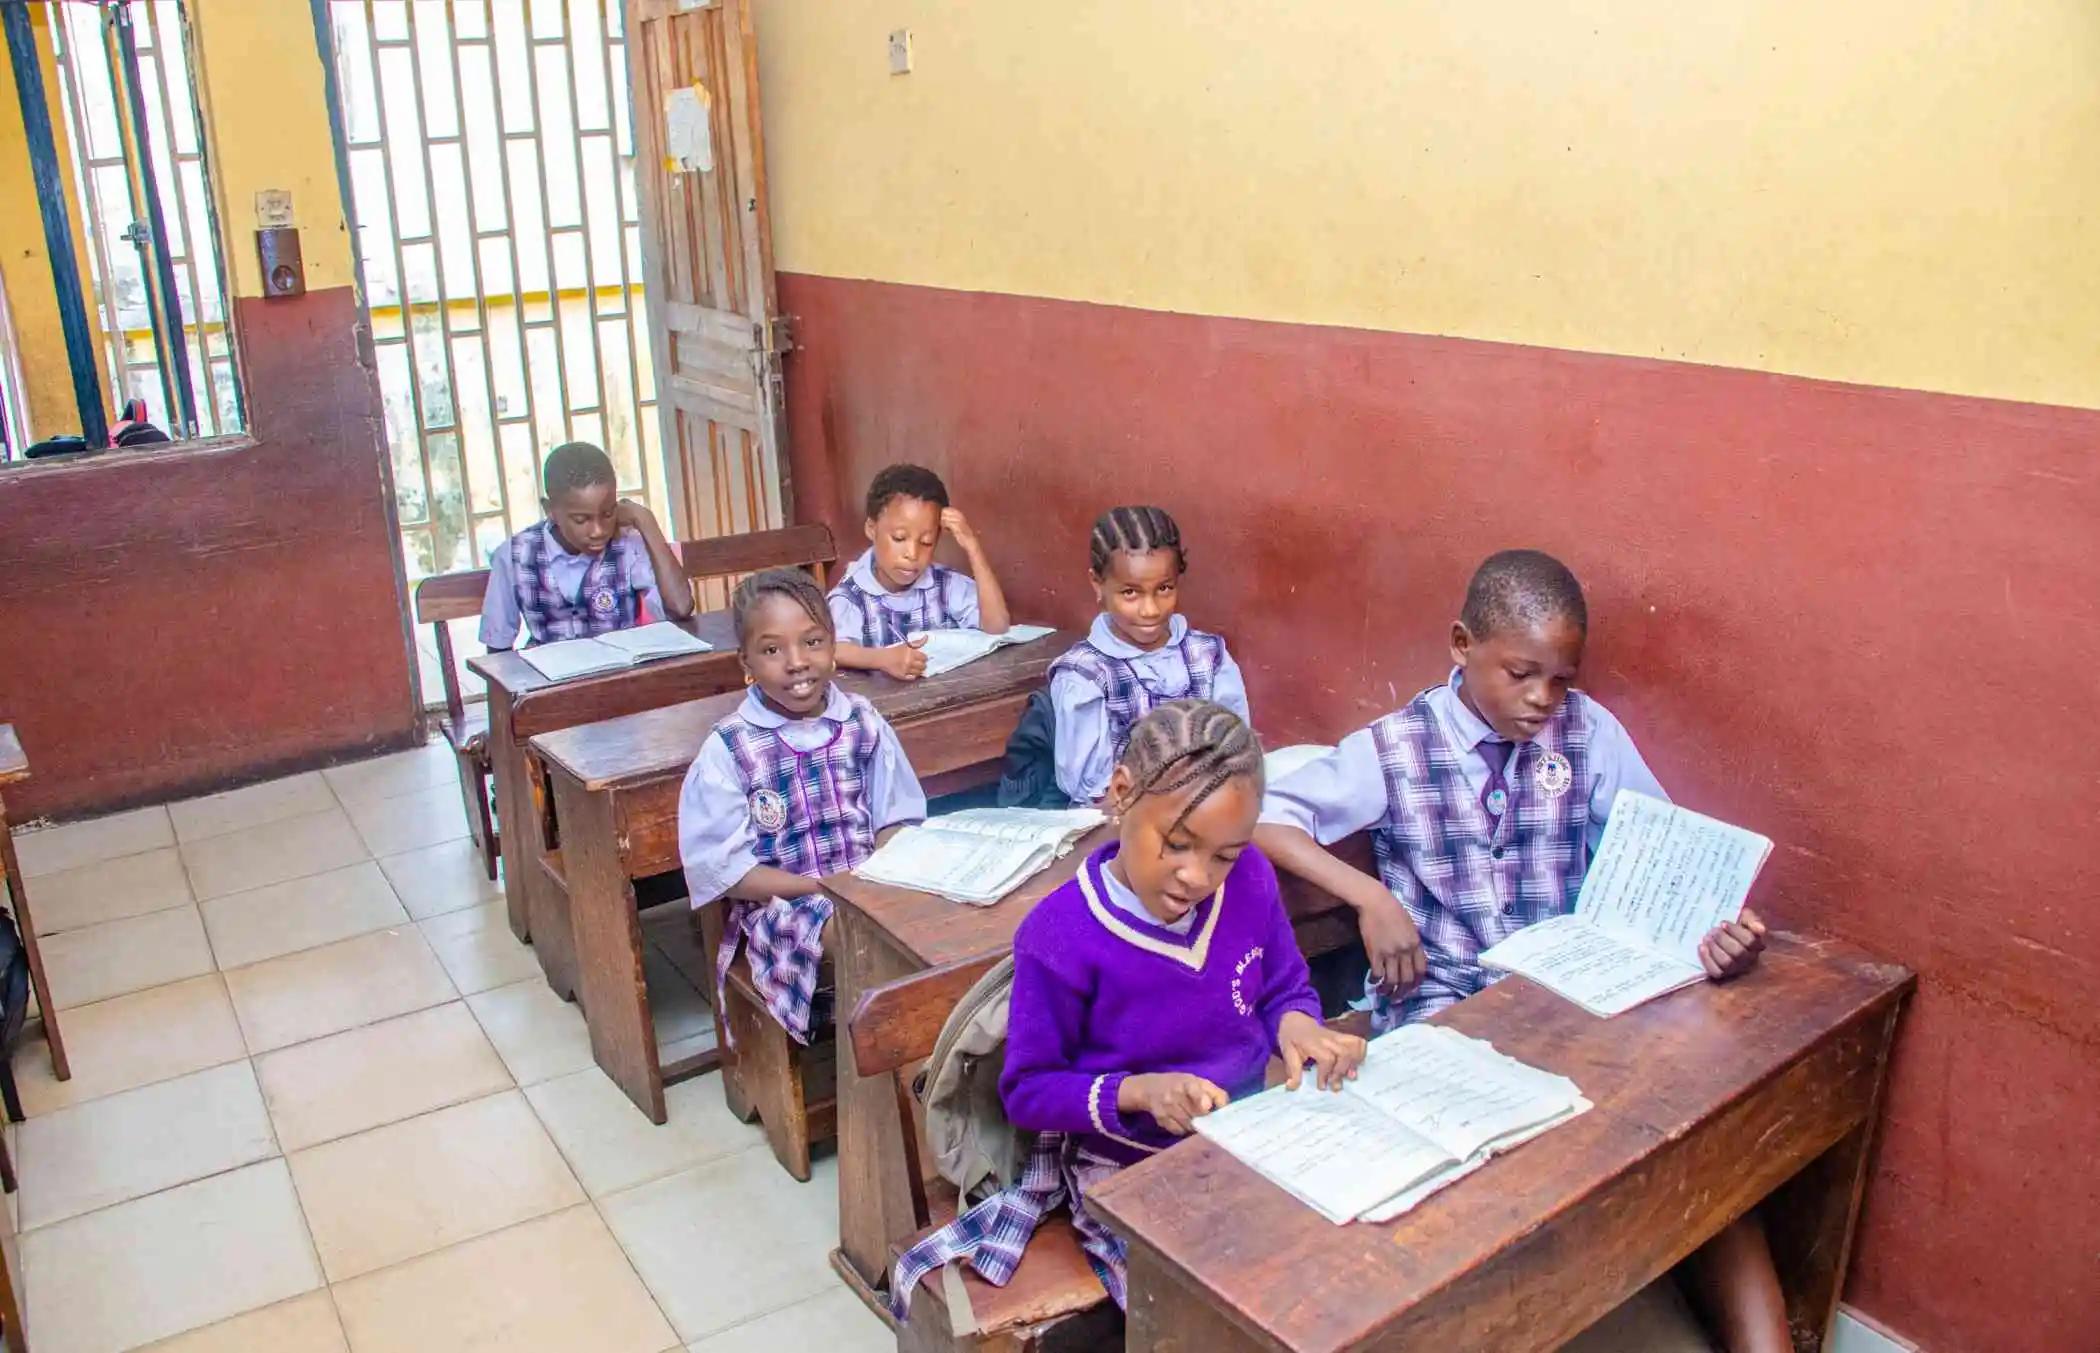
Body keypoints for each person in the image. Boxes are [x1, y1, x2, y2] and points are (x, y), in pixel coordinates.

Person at [1256, 548, 1786, 1353]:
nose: (1543, 698)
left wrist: (1713, 934)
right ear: (1462, 643)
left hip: (1570, 995)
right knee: (1479, 1186)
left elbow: (1661, 851)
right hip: (1445, 1005)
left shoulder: (1590, 732)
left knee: (1701, 1138)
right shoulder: (1395, 747)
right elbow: (1264, 815)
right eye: (1520, 673)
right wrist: (1371, 894)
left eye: (1561, 678)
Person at [889, 700, 1364, 1315]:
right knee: (1214, 1306)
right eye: (1177, 843)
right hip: (1121, 1166)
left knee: (1335, 1263)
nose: (1198, 875)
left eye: (1223, 854)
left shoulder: (1250, 878)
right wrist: (1139, 1093)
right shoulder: (1061, 936)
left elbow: (1283, 986)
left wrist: (1298, 1025)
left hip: (1242, 1134)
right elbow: (1029, 1091)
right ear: (1121, 794)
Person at [677, 567, 926, 1042]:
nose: (797, 662)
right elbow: (725, 871)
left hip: (867, 886)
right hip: (783, 908)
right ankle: (888, 1068)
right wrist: (824, 887)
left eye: (813, 642)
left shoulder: (861, 721)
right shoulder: (731, 749)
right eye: (772, 650)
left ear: (834, 644)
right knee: (864, 935)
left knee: (926, 919)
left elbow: (896, 818)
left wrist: (880, 878)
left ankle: (927, 1050)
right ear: (745, 661)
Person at [1047, 506, 1251, 805]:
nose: (1150, 609)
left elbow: (1235, 751)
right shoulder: (1085, 675)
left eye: (1164, 589)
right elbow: (1094, 794)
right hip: (1121, 819)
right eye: (1130, 592)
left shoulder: (1208, 655)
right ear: (1097, 584)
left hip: (1207, 807)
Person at [479, 441, 693, 650]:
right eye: (581, 520)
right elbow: (498, 645)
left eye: (608, 514)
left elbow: (680, 608)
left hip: (622, 678)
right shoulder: (513, 555)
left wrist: (646, 521)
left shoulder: (627, 544)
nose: (598, 530)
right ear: (550, 509)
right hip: (550, 683)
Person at [829, 463, 1011, 679]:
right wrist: (883, 659)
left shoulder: (944, 585)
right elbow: (834, 649)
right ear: (871, 528)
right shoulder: (851, 597)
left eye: (926, 542)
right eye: (899, 538)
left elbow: (997, 626)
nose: (912, 554)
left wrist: (973, 547)